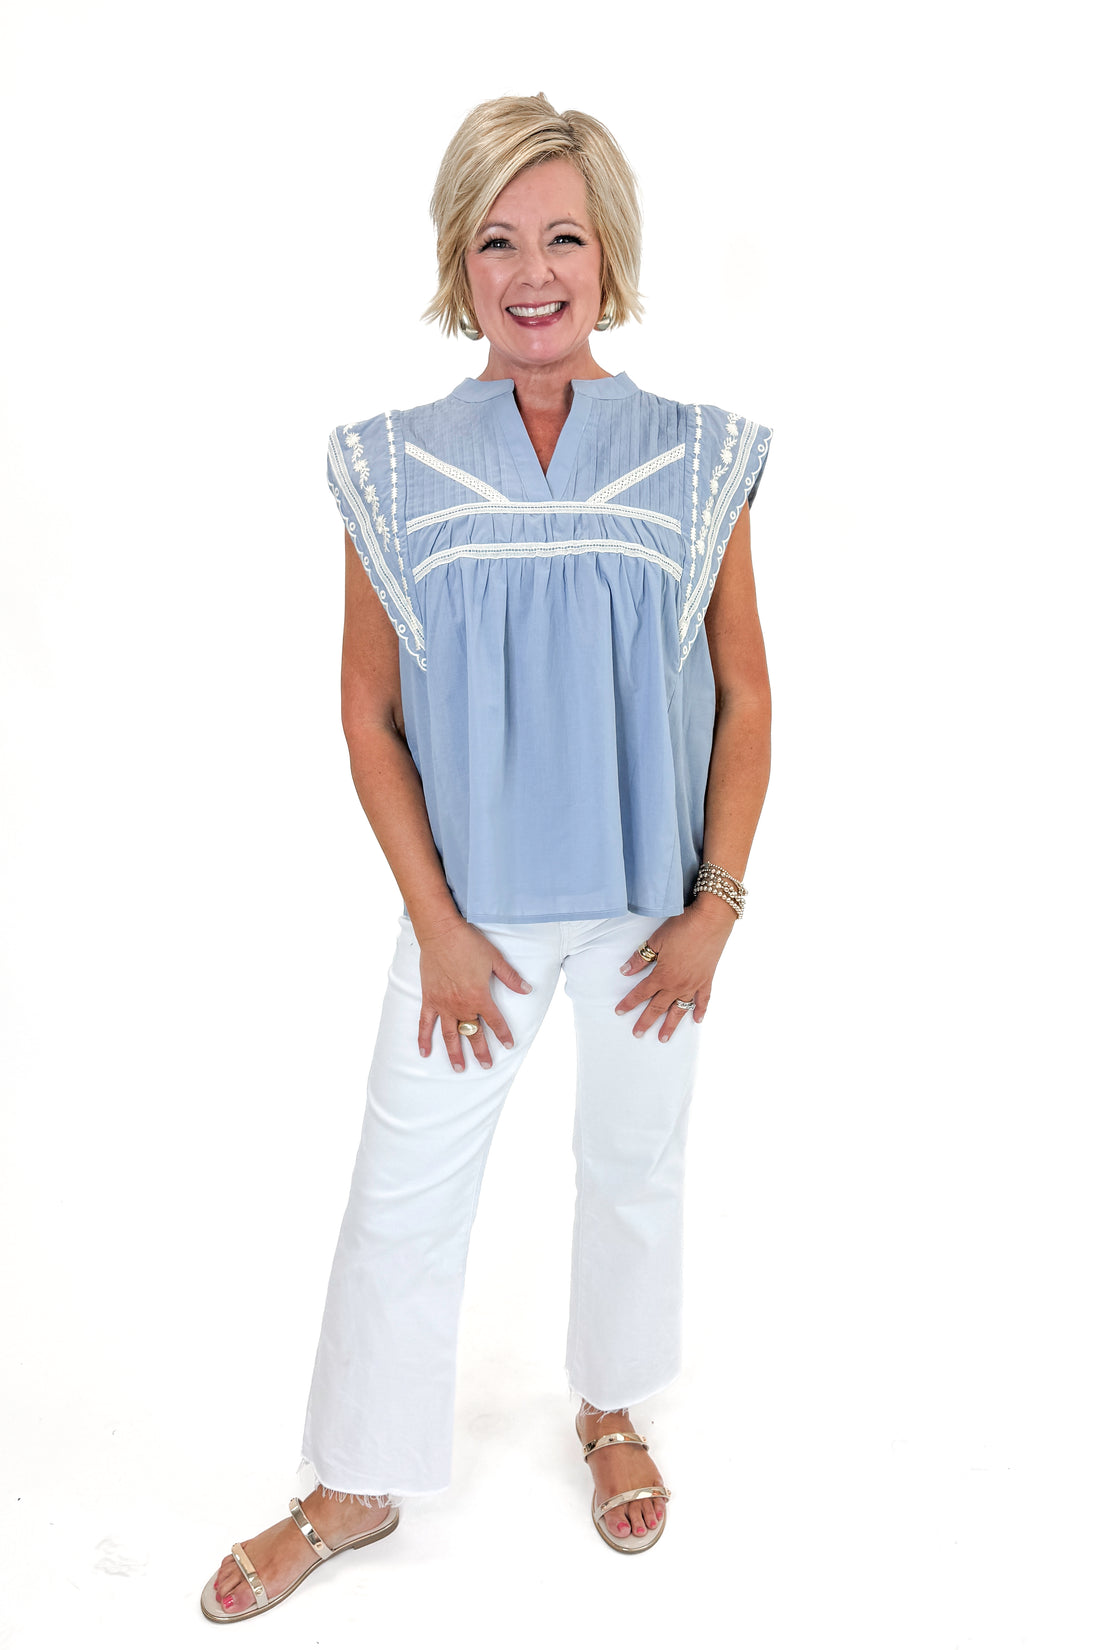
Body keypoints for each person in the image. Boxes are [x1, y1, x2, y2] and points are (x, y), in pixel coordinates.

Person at [200, 91, 773, 1621]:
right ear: (460, 265)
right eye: (500, 239)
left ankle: (609, 1402)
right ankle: (356, 1475)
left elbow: (745, 690)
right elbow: (367, 708)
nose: (535, 269)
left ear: (610, 254)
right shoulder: (390, 467)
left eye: (564, 235)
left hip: (655, 909)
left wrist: (716, 903)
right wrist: (439, 927)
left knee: (634, 1165)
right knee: (402, 1189)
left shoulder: (692, 453)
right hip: (474, 921)